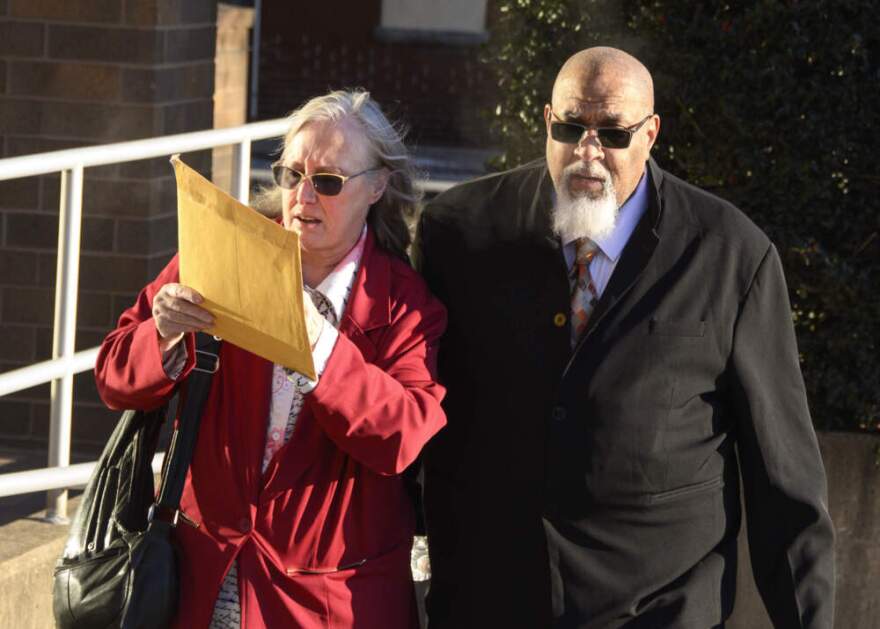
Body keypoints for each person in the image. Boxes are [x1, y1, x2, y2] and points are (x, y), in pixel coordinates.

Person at [414, 47, 834, 628]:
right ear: (545, 122)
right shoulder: (459, 232)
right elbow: (414, 414)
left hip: (658, 609)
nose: (587, 152)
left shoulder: (730, 254)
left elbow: (783, 480)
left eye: (612, 133)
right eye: (569, 127)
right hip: (490, 602)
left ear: (651, 133)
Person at [95, 89, 447, 628]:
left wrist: (319, 346)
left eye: (327, 182)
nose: (303, 197)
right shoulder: (225, 256)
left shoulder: (404, 302)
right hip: (204, 577)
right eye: (291, 175)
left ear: (377, 185)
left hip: (329, 603)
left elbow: (401, 436)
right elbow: (115, 377)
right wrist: (161, 334)